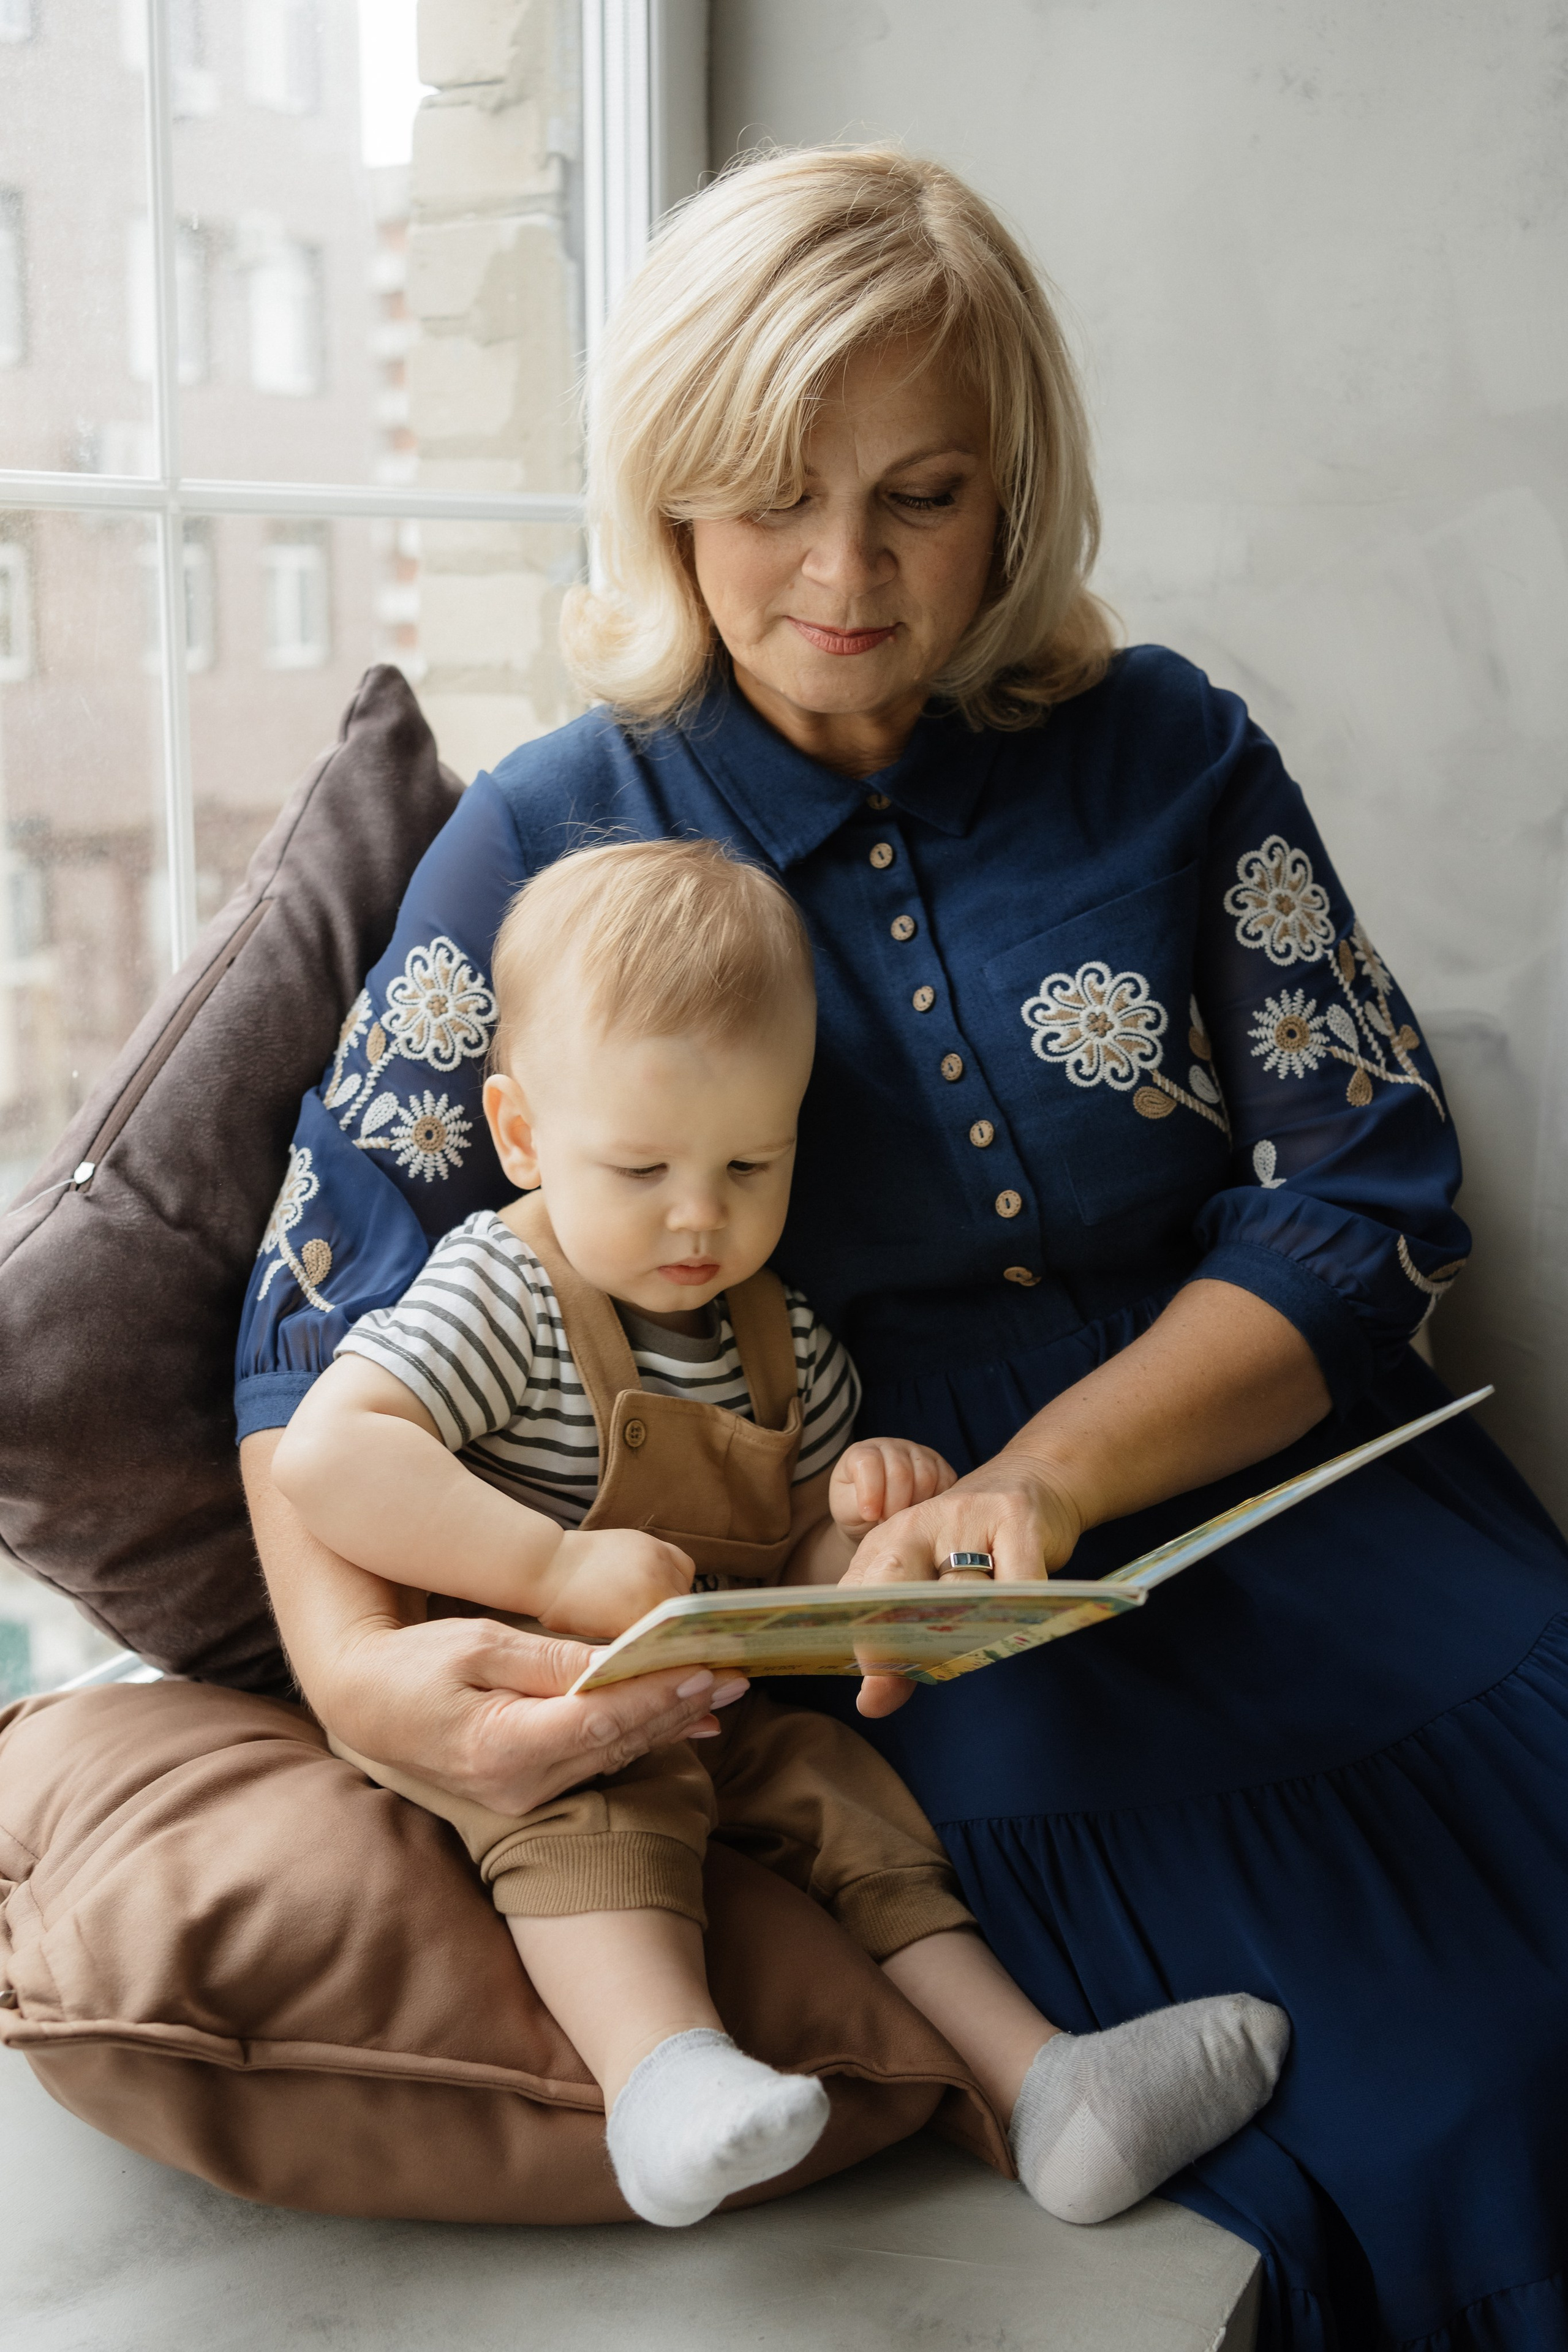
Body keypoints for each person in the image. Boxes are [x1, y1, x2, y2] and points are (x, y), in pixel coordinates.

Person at [236, 146, 1568, 2346]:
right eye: (769, 491)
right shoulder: (549, 836)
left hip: (1331, 1522)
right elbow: (315, 1330)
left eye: (923, 496)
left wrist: (1050, 1478)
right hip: (900, 1626)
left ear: (1014, 492)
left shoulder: (1174, 751)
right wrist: (362, 1684)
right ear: (666, 490)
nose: (843, 573)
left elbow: (1368, 1197)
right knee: (1439, 2114)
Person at [270, 835, 1288, 2228]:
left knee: (853, 1805)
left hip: (720, 1702)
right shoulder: (502, 1288)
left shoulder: (780, 1335)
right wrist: (552, 1567)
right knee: (602, 1813)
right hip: (544, 1712)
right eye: (639, 1168)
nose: (702, 1217)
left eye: (752, 1162)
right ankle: (660, 2082)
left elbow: (800, 1558)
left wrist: (863, 1528)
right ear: (518, 1136)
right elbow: (331, 1458)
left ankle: (1046, 2087)